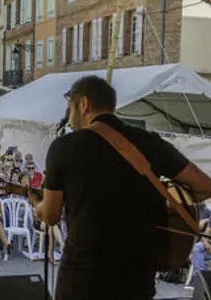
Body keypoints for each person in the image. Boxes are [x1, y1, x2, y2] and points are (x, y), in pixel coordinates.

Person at [37, 75, 211, 300]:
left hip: (84, 278)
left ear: (84, 104)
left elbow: (50, 216)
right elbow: (205, 186)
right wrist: (169, 200)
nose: (69, 119)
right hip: (137, 277)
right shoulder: (151, 143)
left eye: (70, 109)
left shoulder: (64, 147)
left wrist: (37, 206)